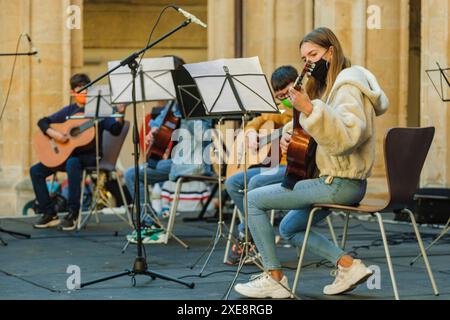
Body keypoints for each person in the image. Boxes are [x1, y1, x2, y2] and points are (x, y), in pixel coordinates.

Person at [234, 27, 389, 298]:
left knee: (253, 199)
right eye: (304, 58)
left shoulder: (347, 86)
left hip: (339, 182)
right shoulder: (330, 88)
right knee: (288, 228)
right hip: (337, 180)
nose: (309, 63)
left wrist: (308, 109)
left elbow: (347, 137)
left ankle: (274, 278)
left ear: (331, 51)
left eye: (314, 55)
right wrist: (289, 140)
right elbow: (320, 133)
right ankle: (349, 267)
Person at [124, 56, 213, 244]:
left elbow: (204, 134)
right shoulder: (173, 102)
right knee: (132, 174)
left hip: (193, 162)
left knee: (137, 174)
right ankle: (149, 221)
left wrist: (184, 117)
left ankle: (150, 222)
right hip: (174, 163)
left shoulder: (198, 99)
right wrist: (153, 132)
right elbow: (159, 122)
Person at [31, 73, 126, 231]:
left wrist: (121, 113)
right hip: (65, 156)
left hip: (89, 157)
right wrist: (56, 135)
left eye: (87, 89)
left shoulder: (98, 111)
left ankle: (73, 213)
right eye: (80, 89)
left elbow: (115, 130)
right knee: (36, 171)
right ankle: (49, 213)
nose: (84, 92)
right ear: (72, 93)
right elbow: (42, 122)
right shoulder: (69, 110)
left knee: (72, 163)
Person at [224, 65, 298, 265]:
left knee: (255, 181)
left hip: (294, 168)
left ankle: (246, 234)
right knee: (231, 183)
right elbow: (257, 121)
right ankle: (254, 231)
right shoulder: (281, 112)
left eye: (287, 93)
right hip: (272, 165)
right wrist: (250, 133)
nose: (284, 99)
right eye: (279, 96)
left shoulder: (305, 110)